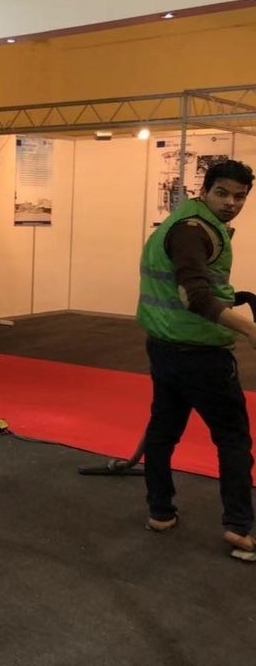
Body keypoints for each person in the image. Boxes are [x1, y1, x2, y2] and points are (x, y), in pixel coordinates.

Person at [136, 158, 256, 561]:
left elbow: (197, 285)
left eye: (240, 196)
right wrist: (250, 329)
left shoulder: (183, 222)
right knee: (233, 438)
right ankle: (239, 527)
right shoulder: (193, 231)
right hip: (202, 355)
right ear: (204, 191)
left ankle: (160, 513)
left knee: (163, 431)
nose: (231, 203)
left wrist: (236, 297)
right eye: (222, 193)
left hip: (165, 346)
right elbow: (195, 297)